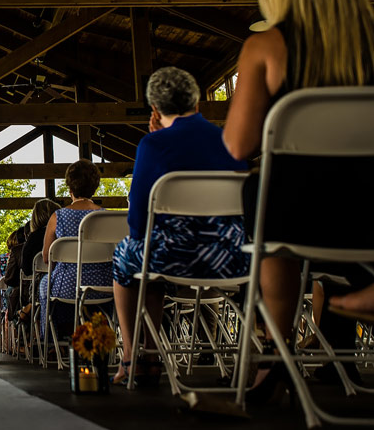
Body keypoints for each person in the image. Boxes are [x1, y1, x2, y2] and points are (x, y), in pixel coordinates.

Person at [222, 0, 374, 394]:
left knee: (265, 193)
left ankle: (276, 348)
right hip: (366, 210)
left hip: (297, 216)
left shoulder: (266, 47)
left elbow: (237, 146)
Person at [112, 67, 248, 385]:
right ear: (198, 104)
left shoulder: (154, 145)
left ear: (155, 110)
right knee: (148, 256)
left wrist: (155, 139)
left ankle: (136, 356)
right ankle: (148, 353)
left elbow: (137, 225)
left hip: (175, 257)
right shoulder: (229, 140)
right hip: (234, 258)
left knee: (128, 254)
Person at [38, 161, 106, 340]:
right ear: (95, 186)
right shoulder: (106, 216)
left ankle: (52, 341)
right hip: (104, 285)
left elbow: (46, 258)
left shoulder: (58, 216)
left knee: (44, 284)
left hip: (68, 286)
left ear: (70, 187)